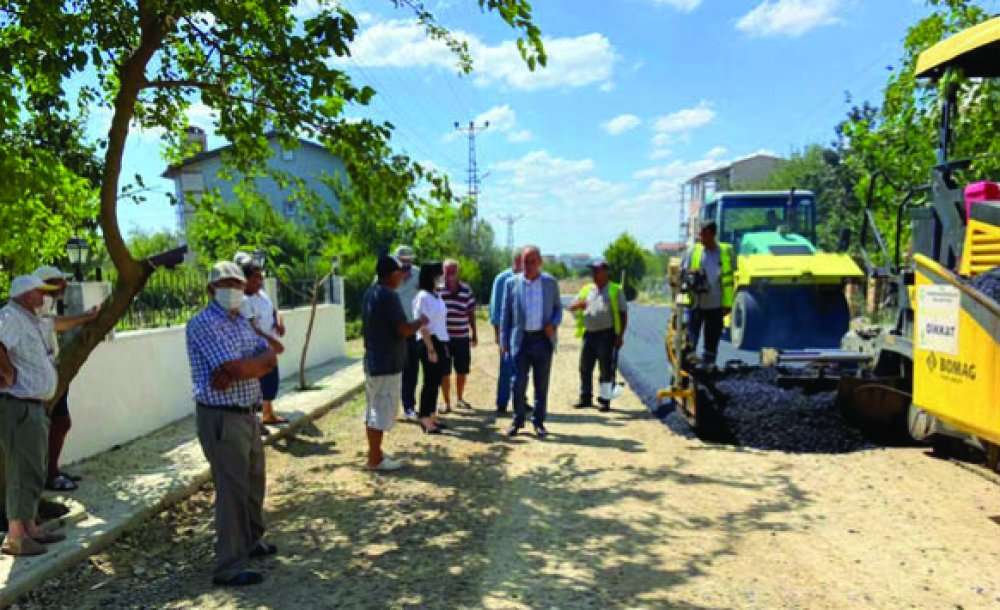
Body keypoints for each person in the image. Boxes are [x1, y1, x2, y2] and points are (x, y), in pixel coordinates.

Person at [186, 262, 279, 587]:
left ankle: (252, 541)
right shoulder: (203, 323)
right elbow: (235, 368)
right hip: (222, 416)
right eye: (227, 284)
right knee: (232, 489)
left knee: (254, 483)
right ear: (211, 288)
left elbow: (269, 355)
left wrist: (249, 366)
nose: (234, 290)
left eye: (238, 284)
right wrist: (248, 366)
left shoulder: (240, 320)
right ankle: (228, 564)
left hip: (247, 412)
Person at [0, 275, 66, 556]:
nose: (44, 298)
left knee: (32, 468)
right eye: (40, 293)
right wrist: (6, 372)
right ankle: (16, 536)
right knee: (20, 469)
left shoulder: (26, 319)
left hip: (32, 406)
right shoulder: (10, 317)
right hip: (19, 405)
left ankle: (30, 527)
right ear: (27, 295)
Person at [34, 265, 100, 492]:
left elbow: (55, 323)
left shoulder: (44, 307)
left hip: (51, 375)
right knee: (55, 423)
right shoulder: (31, 308)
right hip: (36, 381)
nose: (63, 287)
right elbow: (53, 324)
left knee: (60, 423)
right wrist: (85, 317)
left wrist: (87, 317)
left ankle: (51, 470)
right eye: (59, 283)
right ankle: (49, 474)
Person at [362, 256, 426, 471]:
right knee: (379, 412)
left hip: (373, 361)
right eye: (401, 271)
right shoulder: (389, 296)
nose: (404, 275)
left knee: (373, 409)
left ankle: (375, 452)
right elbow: (403, 329)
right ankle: (375, 459)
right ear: (391, 274)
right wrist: (421, 321)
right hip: (386, 364)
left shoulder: (371, 293)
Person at [501, 246, 562, 438]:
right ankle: (518, 420)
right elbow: (506, 315)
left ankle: (539, 422)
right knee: (517, 383)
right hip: (521, 340)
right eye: (525, 261)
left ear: (540, 263)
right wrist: (503, 341)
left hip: (543, 340)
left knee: (541, 384)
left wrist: (553, 323)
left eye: (532, 261)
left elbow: (558, 309)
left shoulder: (550, 283)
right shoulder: (512, 284)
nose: (528, 265)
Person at [567, 258, 628, 412]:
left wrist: (620, 336)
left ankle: (605, 400)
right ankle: (585, 397)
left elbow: (623, 314)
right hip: (589, 334)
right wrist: (578, 305)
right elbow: (571, 306)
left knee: (606, 369)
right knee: (585, 367)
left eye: (597, 270)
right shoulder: (587, 289)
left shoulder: (615, 290)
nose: (594, 273)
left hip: (606, 335)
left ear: (606, 272)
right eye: (592, 270)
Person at [236, 257, 288, 433]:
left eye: (261, 277)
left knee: (271, 381)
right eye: (256, 277)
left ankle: (268, 414)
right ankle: (256, 421)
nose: (260, 281)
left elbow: (274, 310)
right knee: (257, 385)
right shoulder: (244, 301)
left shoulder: (262, 295)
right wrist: (273, 342)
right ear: (245, 279)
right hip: (255, 350)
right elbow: (253, 329)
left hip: (268, 348)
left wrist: (279, 322)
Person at [682, 219, 735, 365]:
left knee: (711, 342)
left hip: (716, 306)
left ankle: (708, 369)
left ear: (712, 234)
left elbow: (729, 280)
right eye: (699, 234)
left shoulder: (724, 253)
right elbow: (683, 274)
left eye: (703, 234)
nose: (700, 237)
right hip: (696, 305)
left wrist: (728, 304)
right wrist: (692, 277)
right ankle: (688, 371)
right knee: (689, 341)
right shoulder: (694, 251)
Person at [412, 263, 449, 434]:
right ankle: (424, 416)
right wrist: (431, 348)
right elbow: (423, 324)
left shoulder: (436, 295)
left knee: (436, 381)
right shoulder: (423, 296)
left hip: (440, 340)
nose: (441, 277)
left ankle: (432, 415)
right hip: (429, 341)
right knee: (429, 381)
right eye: (438, 274)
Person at [437, 259, 477, 413]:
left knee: (462, 370)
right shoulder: (438, 290)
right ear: (443, 272)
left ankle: (459, 398)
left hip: (462, 337)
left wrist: (474, 333)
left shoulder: (466, 290)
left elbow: (471, 312)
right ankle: (447, 403)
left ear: (458, 272)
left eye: (453, 271)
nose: (450, 275)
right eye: (447, 271)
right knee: (444, 371)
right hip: (443, 339)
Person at [489, 250, 523, 417]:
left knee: (522, 368)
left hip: (524, 331)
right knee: (506, 367)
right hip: (507, 330)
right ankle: (502, 403)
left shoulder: (528, 278)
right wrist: (498, 334)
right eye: (519, 262)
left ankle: (521, 400)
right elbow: (496, 310)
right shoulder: (502, 279)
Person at [393, 246, 422, 420]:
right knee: (392, 371)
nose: (406, 265)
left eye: (409, 261)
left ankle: (409, 406)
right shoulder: (387, 276)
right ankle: (389, 408)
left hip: (412, 329)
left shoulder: (418, 274)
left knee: (411, 369)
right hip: (393, 331)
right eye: (403, 261)